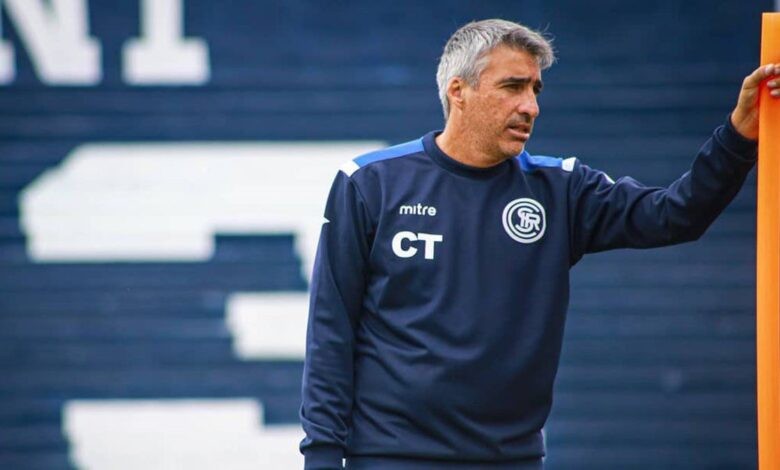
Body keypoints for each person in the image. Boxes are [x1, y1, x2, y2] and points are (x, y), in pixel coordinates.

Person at [299, 18, 780, 470]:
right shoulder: (371, 183)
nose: (530, 106)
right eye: (513, 87)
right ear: (458, 91)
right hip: (390, 457)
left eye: (535, 89)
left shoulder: (561, 188)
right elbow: (331, 332)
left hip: (510, 459)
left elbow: (676, 215)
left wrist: (737, 137)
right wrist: (321, 457)